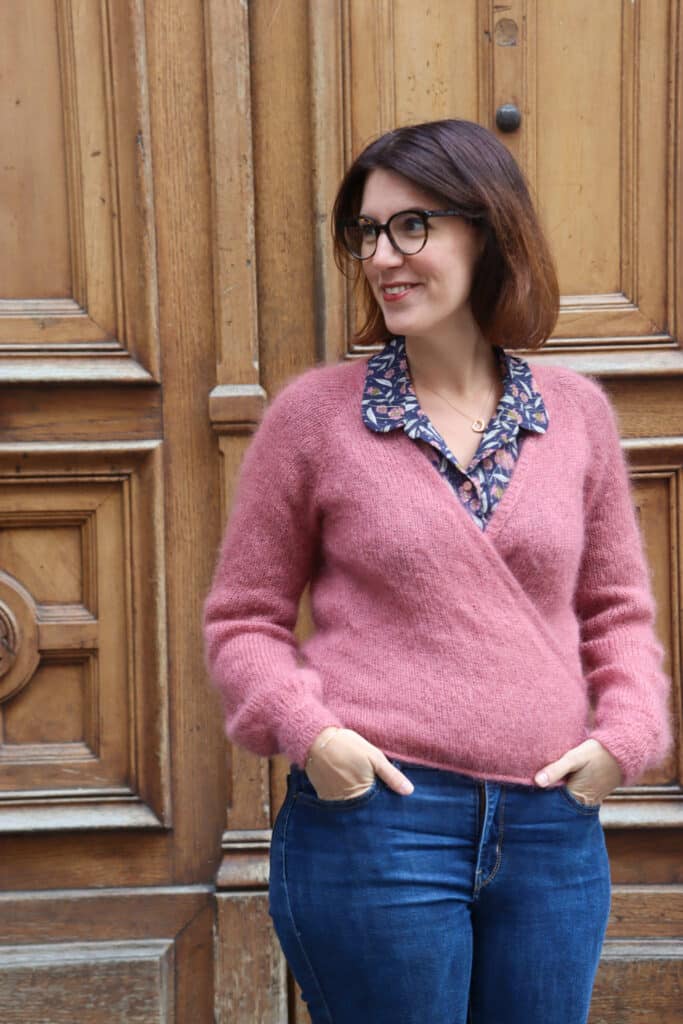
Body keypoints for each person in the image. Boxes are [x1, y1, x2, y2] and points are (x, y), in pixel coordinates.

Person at [204, 119, 671, 1024]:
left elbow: (614, 610)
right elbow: (243, 619)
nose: (382, 257)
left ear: (489, 232)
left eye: (410, 226)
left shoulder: (573, 415)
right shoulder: (314, 419)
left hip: (550, 831)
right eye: (367, 232)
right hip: (380, 824)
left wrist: (625, 737)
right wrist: (312, 736)